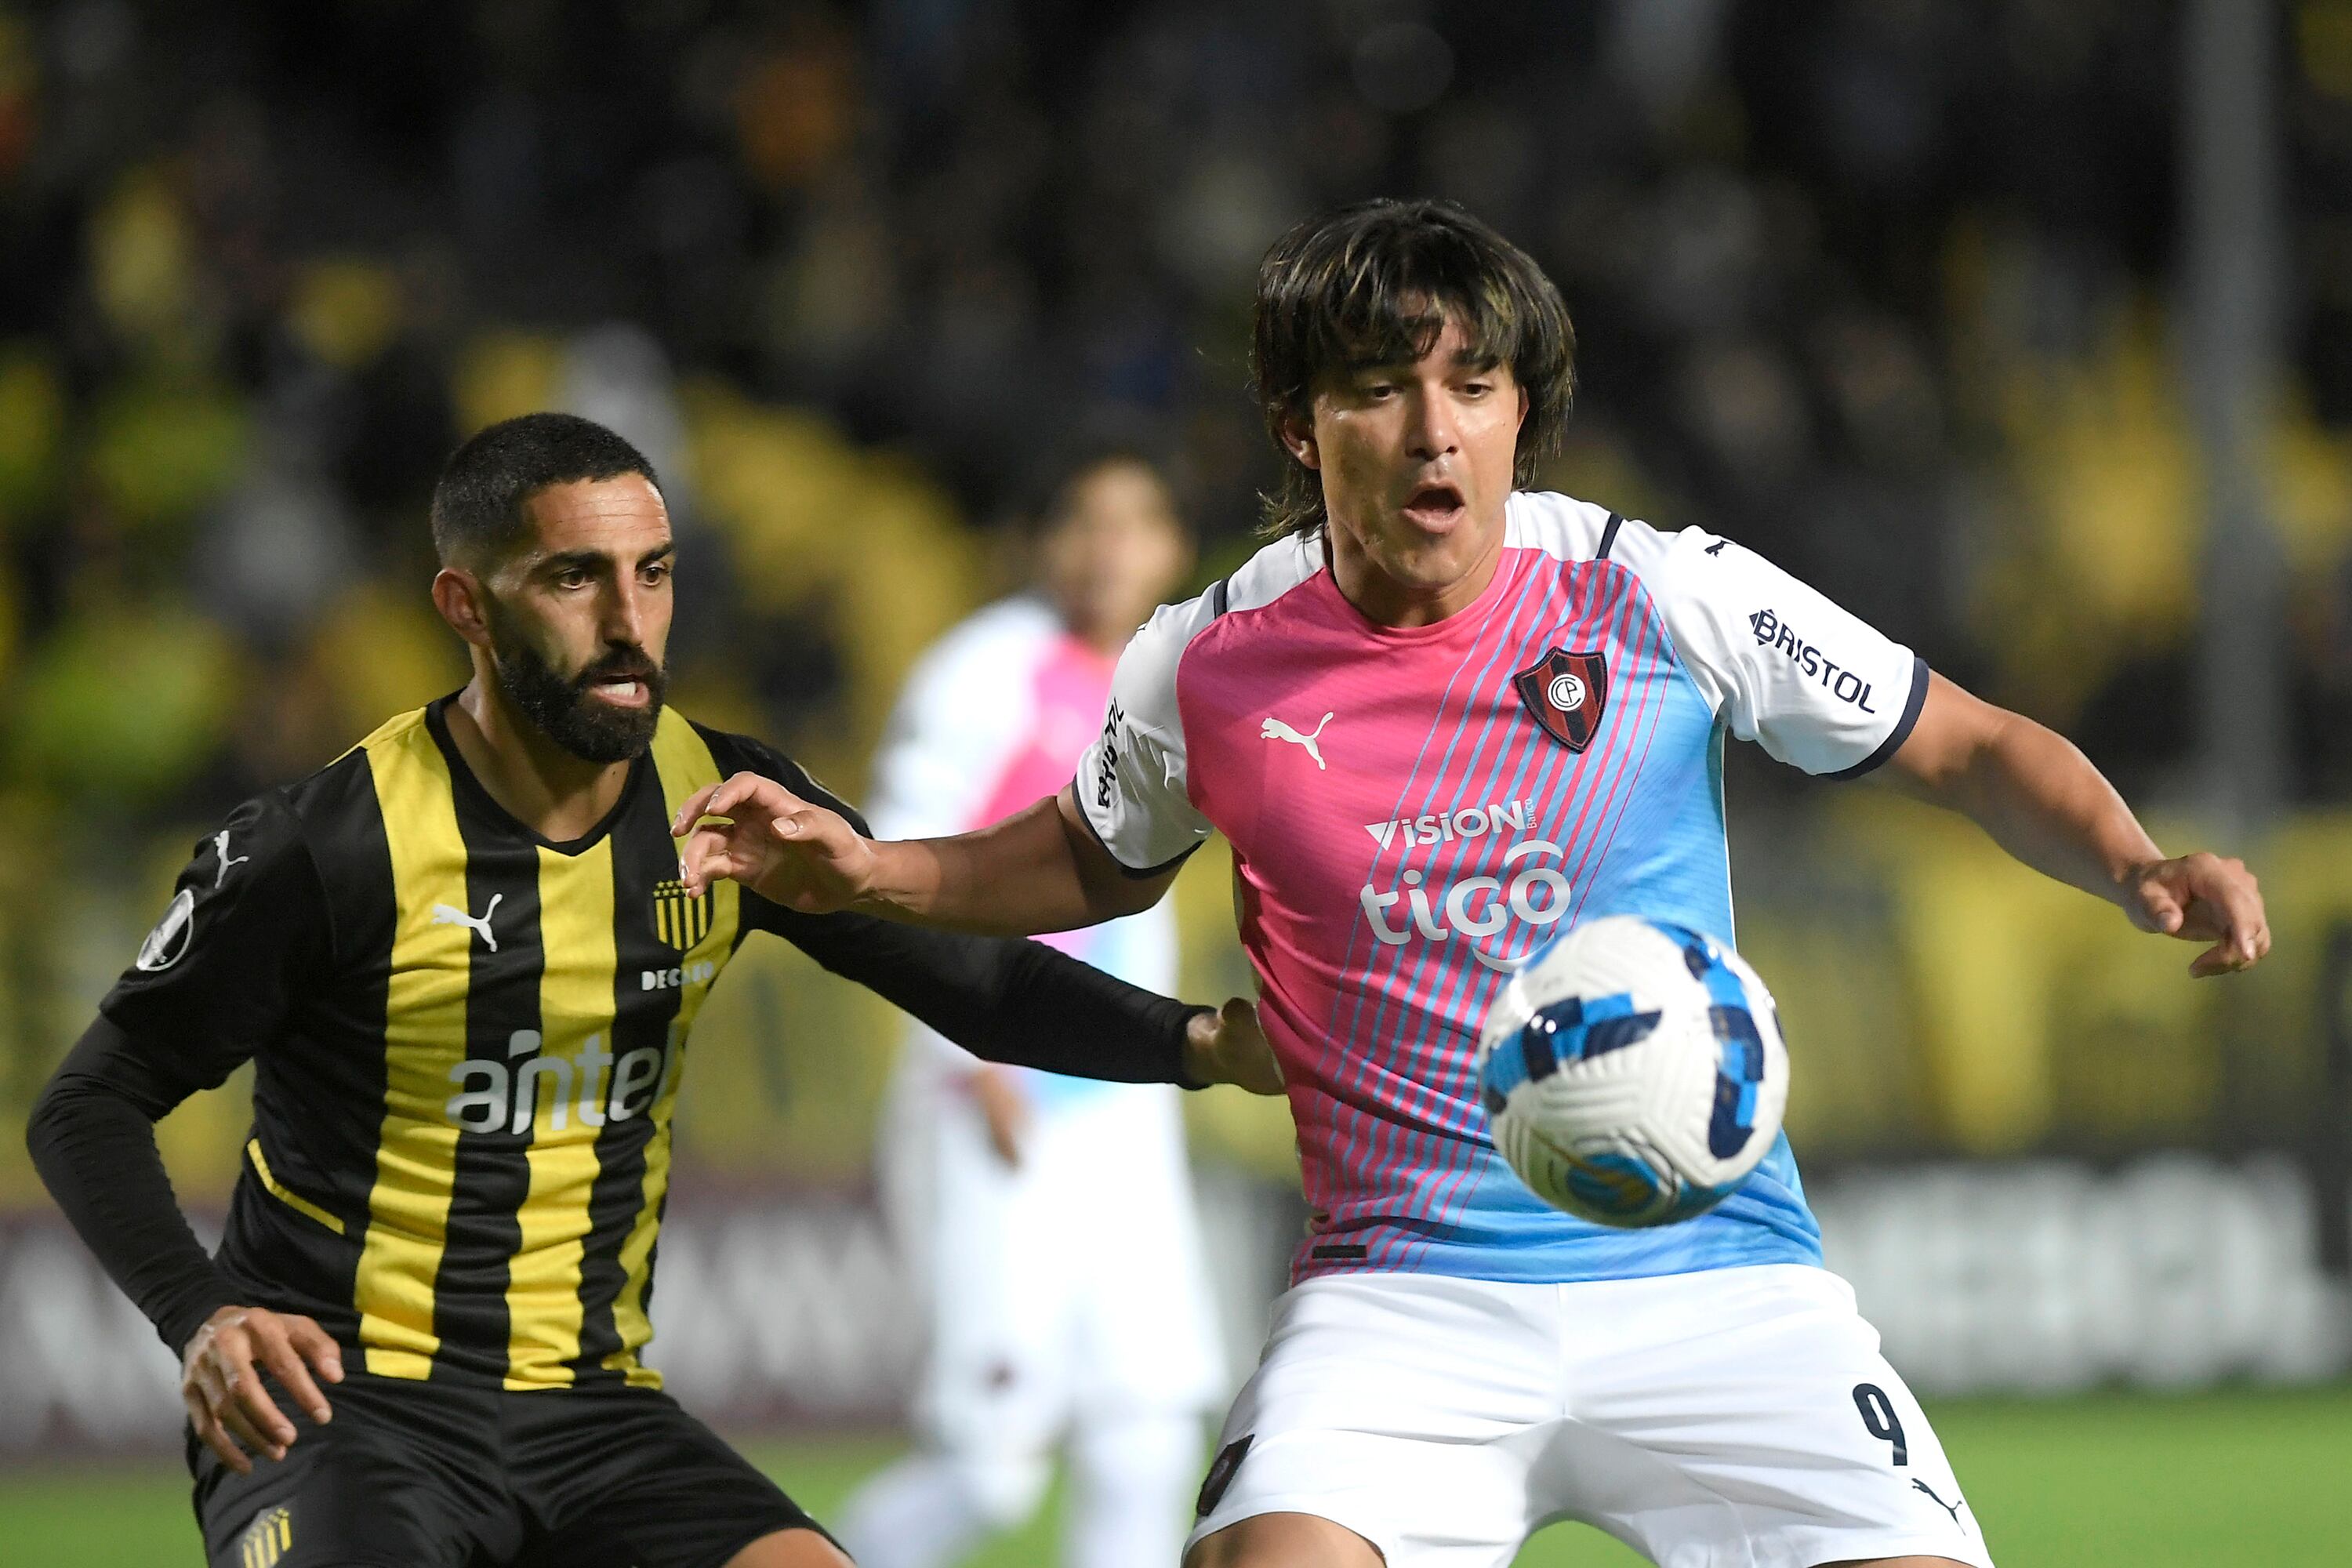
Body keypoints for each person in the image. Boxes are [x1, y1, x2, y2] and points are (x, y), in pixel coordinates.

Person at [670, 201, 2270, 1568]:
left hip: (1722, 1280)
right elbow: (1082, 859)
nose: (1435, 430)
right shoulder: (1207, 662)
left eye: (1474, 386)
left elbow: (1965, 742)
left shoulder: (1661, 594)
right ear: (1301, 426)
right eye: (1380, 390)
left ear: (1519, 414)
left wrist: (2134, 859)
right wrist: (871, 867)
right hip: (1404, 1300)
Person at [25, 412, 1278, 1568]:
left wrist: (1201, 1044)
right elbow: (89, 1103)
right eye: (575, 579)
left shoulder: (720, 805)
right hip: (346, 1413)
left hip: (595, 1415)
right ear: (467, 606)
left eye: (656, 573)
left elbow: (975, 980)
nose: (630, 621)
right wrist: (201, 1317)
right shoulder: (329, 848)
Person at [832, 447, 1224, 1568]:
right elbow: (892, 867)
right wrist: (968, 1058)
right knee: (990, 1469)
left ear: (1173, 548)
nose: (1108, 549)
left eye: (1136, 523)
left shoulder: (1186, 678)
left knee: (1147, 1436)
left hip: (1123, 1105)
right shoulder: (986, 673)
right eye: (1084, 521)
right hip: (994, 1097)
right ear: (1040, 542)